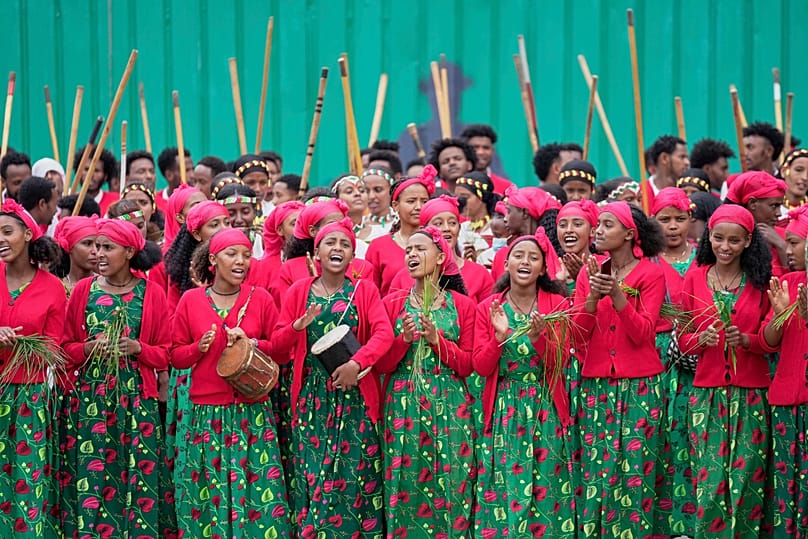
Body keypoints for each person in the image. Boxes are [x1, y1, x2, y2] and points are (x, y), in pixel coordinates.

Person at [272, 218, 391, 536]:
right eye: (330, 243)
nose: (337, 248)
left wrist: (358, 363)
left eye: (345, 244)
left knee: (356, 475)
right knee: (316, 475)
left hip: (355, 397)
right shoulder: (299, 291)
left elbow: (384, 333)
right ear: (316, 253)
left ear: (353, 256)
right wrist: (296, 328)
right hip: (312, 399)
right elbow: (279, 347)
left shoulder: (364, 290)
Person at [170, 228, 291, 537]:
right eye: (232, 254)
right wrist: (198, 347)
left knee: (256, 491)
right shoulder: (190, 300)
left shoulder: (260, 298)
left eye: (247, 255)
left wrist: (256, 342)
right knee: (207, 494)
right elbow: (175, 357)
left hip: (252, 412)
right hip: (207, 414)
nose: (241, 261)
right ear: (213, 260)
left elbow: (279, 349)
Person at [60, 218, 171, 538]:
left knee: (137, 471)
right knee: (94, 471)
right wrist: (88, 348)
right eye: (95, 246)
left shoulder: (151, 293)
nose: (98, 254)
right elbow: (65, 349)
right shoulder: (83, 290)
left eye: (107, 247)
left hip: (137, 399)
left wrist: (139, 348)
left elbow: (166, 353)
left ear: (130, 251)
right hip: (92, 399)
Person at [677, 204, 774, 538]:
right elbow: (682, 339)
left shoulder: (761, 281)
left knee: (748, 478)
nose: (725, 247)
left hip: (751, 394)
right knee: (710, 478)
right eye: (718, 238)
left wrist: (748, 340)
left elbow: (770, 340)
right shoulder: (695, 275)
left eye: (734, 240)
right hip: (707, 394)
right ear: (709, 238)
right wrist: (699, 339)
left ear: (748, 241)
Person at [573, 201, 667, 536]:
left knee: (635, 470)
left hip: (641, 385)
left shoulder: (651, 273)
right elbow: (577, 332)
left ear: (630, 234)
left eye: (607, 224)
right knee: (597, 469)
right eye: (597, 224)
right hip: (596, 384)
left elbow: (643, 333)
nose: (597, 230)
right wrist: (591, 297)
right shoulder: (589, 271)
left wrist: (617, 295)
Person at [473, 231, 575, 537]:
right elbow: (480, 365)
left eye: (533, 257)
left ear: (543, 268)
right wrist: (498, 338)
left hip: (545, 408)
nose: (525, 262)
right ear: (506, 262)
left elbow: (561, 364)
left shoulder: (557, 304)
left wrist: (538, 339)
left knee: (547, 483)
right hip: (505, 407)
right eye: (518, 256)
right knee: (505, 484)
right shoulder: (489, 307)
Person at [379, 226, 477, 536]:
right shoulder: (392, 303)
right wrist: (404, 340)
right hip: (403, 402)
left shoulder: (463, 305)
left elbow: (468, 365)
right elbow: (382, 364)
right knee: (404, 481)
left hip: (449, 403)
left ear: (439, 258)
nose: (411, 255)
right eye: (408, 250)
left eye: (420, 249)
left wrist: (437, 340)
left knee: (452, 483)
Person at [0, 199, 65, 537]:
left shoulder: (53, 287)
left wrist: (27, 347)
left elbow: (55, 349)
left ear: (27, 234)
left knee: (27, 477)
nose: (0, 239)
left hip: (31, 397)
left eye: (6, 231)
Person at [762, 205, 808, 536]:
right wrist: (780, 316)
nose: (786, 250)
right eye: (787, 243)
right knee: (786, 489)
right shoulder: (789, 283)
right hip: (787, 402)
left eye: (793, 243)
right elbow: (767, 342)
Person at [366, 168, 434, 296]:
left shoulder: (437, 244)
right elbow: (370, 293)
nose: (419, 207)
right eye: (411, 201)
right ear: (396, 205)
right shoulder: (378, 247)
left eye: (424, 201)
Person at [492, 186, 562, 281]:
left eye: (508, 211)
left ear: (524, 212)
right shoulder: (501, 255)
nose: (505, 219)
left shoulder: (555, 255)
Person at [725, 170, 788, 276]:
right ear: (752, 203)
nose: (779, 213)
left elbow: (797, 281)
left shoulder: (785, 236)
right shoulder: (729, 239)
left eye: (780, 206)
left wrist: (781, 246)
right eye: (774, 206)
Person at [555, 198, 598, 292]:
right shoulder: (548, 269)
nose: (568, 230)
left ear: (592, 231)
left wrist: (583, 279)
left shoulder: (603, 267)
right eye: (562, 225)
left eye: (577, 224)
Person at [459, 123, 514, 194]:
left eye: (486, 148)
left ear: (493, 150)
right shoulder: (450, 184)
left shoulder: (506, 187)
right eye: (475, 147)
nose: (480, 152)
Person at [454, 171, 500, 254]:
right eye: (457, 197)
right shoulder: (461, 228)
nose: (460, 202)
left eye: (464, 197)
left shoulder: (497, 228)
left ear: (482, 196)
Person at [51, 216, 98, 295]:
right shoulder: (55, 288)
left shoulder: (109, 286)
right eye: (87, 243)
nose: (95, 251)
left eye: (97, 245)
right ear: (68, 247)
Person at [331, 174, 373, 254]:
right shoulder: (331, 234)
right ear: (337, 199)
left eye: (362, 190)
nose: (357, 194)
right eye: (349, 191)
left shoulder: (380, 231)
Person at [73, 147, 119, 215]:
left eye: (96, 170)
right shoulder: (70, 202)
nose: (90, 175)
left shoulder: (116, 200)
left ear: (105, 176)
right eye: (86, 169)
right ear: (78, 172)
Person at [162, 184, 206, 251]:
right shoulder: (166, 257)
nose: (206, 209)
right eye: (197, 205)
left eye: (206, 204)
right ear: (180, 217)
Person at [155, 147, 195, 212]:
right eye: (186, 170)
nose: (192, 175)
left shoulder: (199, 201)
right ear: (169, 175)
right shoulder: (155, 205)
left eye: (193, 169)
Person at [361, 167, 397, 233]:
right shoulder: (357, 226)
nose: (371, 196)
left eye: (378, 190)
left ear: (392, 191)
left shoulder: (402, 224)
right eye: (366, 190)